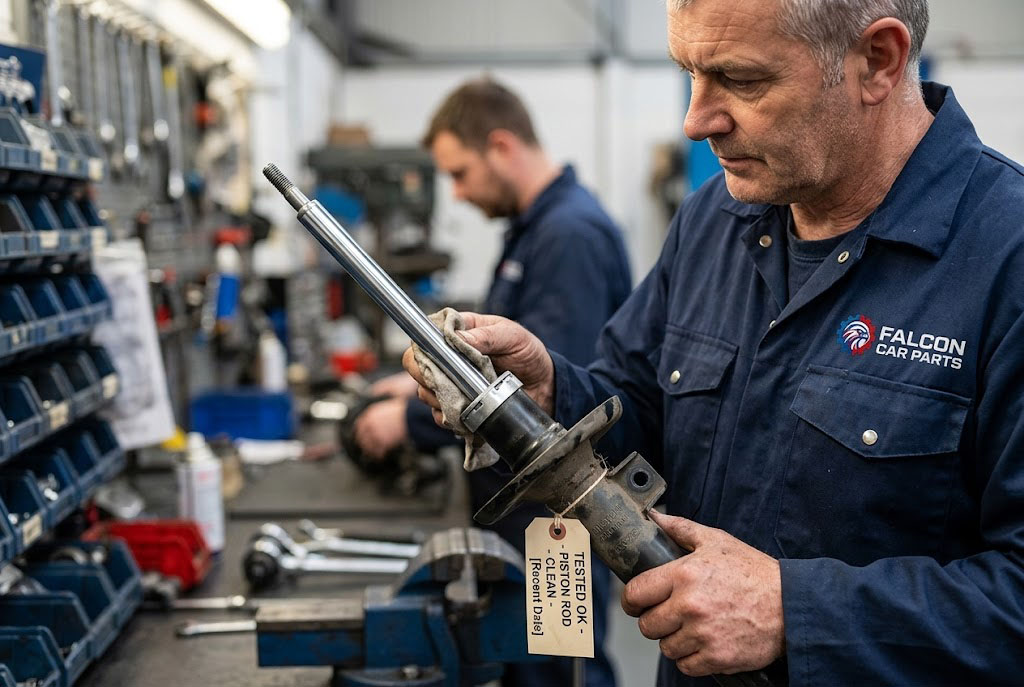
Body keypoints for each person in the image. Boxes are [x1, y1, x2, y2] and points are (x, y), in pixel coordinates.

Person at [402, 1, 1024, 685]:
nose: (696, 121)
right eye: (689, 73)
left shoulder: (1006, 258)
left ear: (877, 60)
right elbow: (637, 407)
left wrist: (795, 612)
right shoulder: (714, 221)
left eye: (742, 79)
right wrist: (549, 389)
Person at [353, 78, 632, 687]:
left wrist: (406, 422)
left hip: (555, 519)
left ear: (501, 146)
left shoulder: (569, 237)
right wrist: (415, 386)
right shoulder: (537, 231)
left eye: (460, 173)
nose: (457, 193)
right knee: (532, 666)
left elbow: (544, 401)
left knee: (563, 673)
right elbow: (499, 366)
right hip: (524, 518)